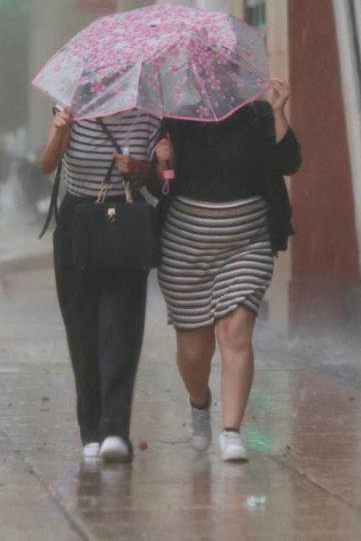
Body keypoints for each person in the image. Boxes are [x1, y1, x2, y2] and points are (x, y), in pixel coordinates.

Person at [155, 78, 301, 462]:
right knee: (193, 350)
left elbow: (290, 162)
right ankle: (199, 403)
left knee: (235, 334)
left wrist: (279, 111)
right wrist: (163, 165)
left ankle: (232, 431)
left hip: (246, 243)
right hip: (185, 248)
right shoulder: (177, 119)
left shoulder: (255, 116)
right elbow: (161, 188)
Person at [40, 106, 161, 463]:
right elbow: (47, 165)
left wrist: (142, 169)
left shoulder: (148, 118)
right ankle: (90, 430)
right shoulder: (70, 113)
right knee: (83, 331)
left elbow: (162, 180)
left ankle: (115, 431)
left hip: (126, 222)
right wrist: (60, 130)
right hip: (79, 224)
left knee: (122, 328)